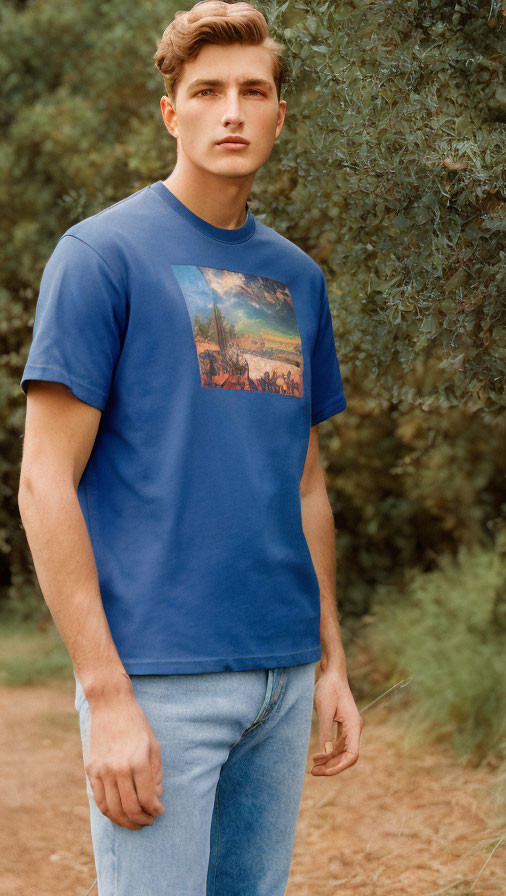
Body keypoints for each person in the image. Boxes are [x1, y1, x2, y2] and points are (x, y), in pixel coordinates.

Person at [16, 2, 363, 893]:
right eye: (207, 91)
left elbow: (305, 482)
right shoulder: (102, 256)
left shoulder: (294, 278)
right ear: (171, 111)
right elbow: (45, 483)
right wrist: (105, 693)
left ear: (281, 113)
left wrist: (330, 663)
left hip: (281, 678)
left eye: (255, 90)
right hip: (160, 680)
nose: (234, 110)